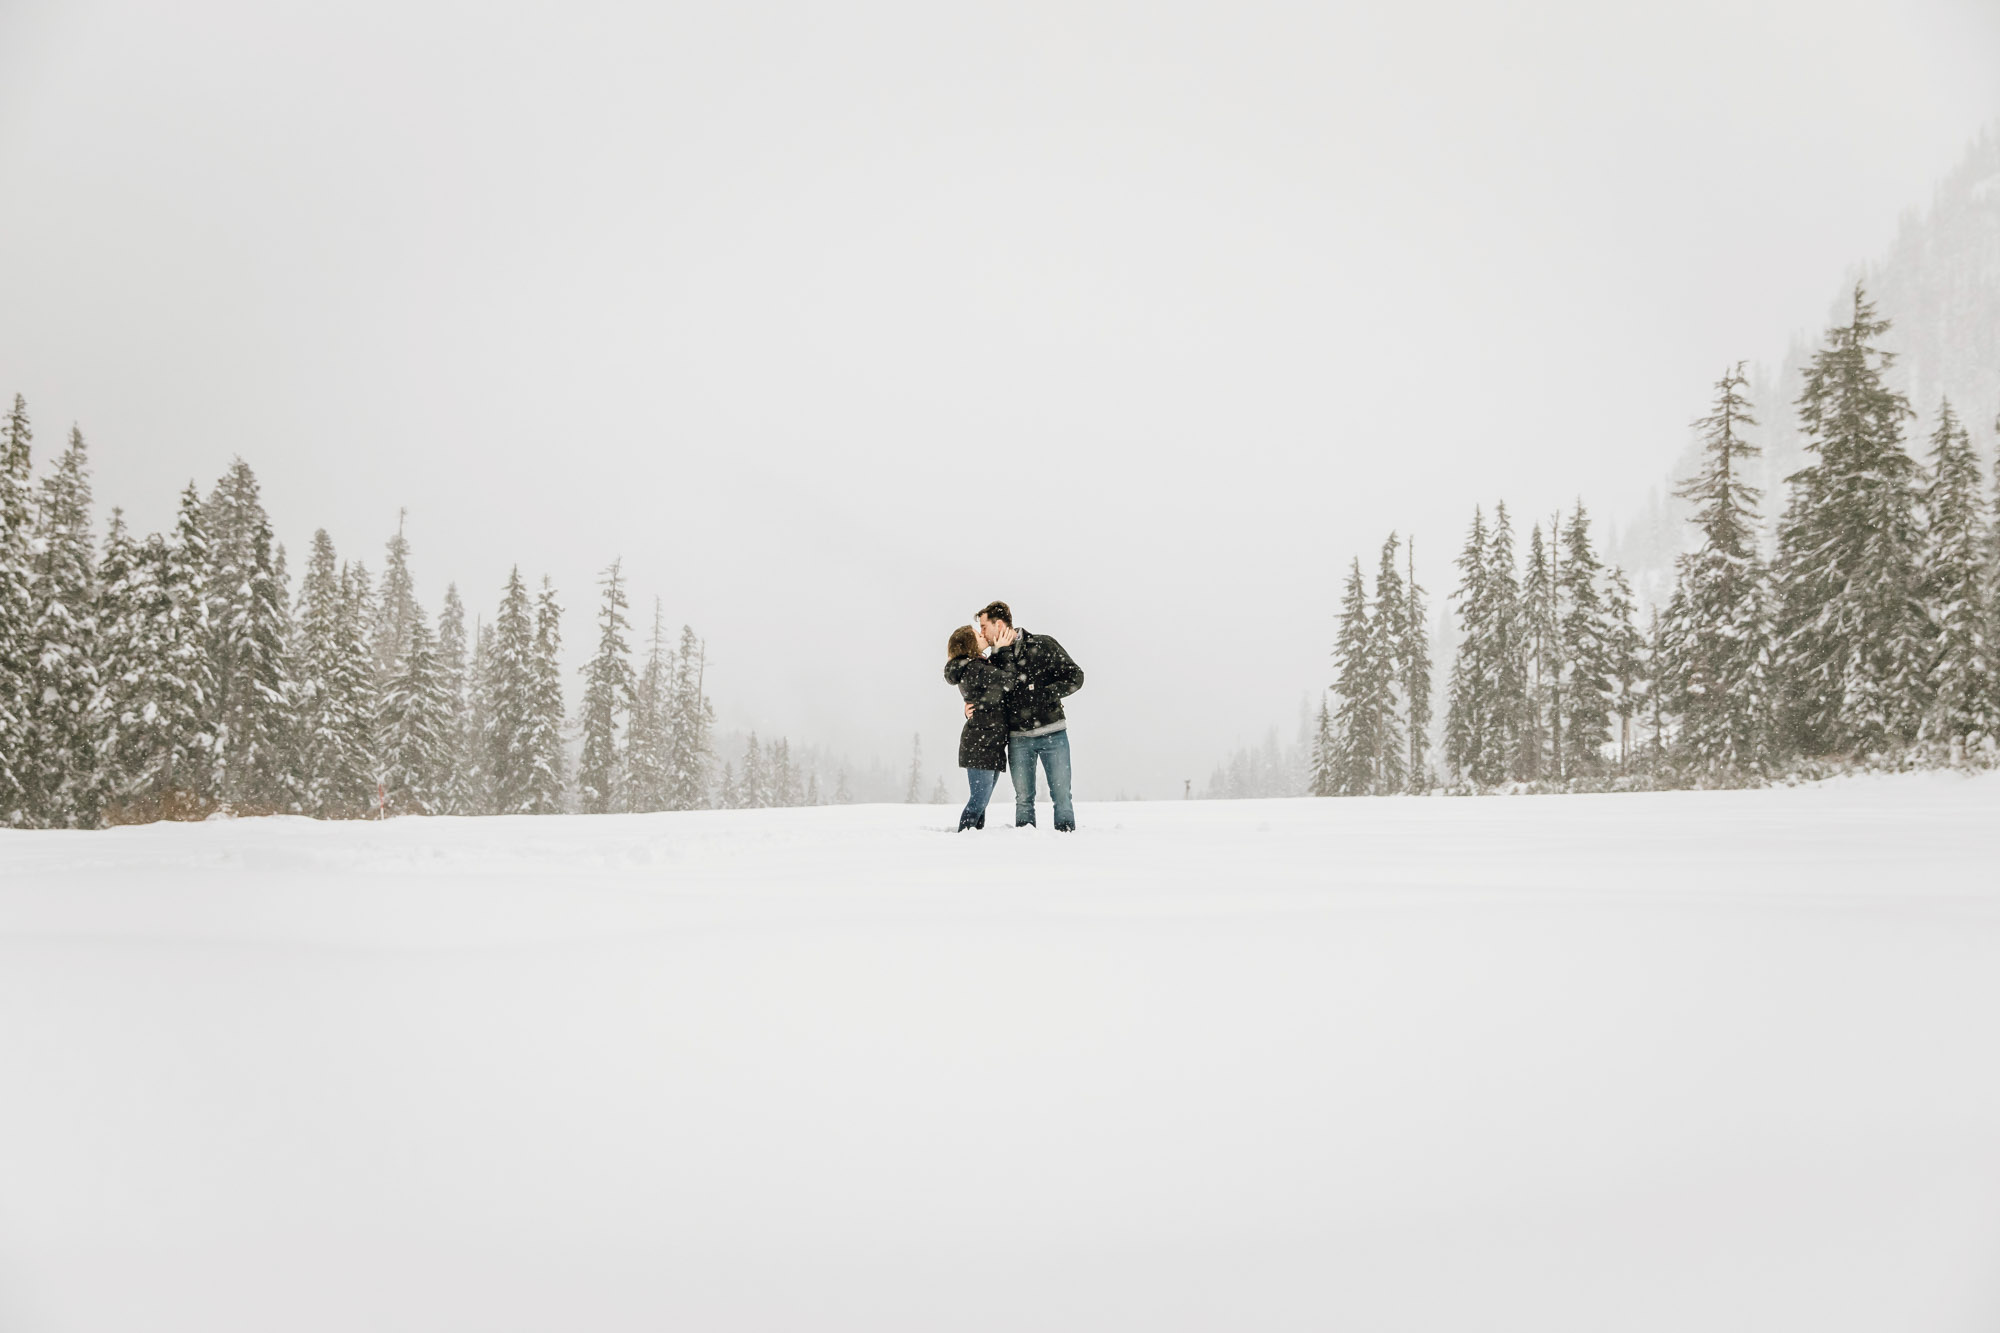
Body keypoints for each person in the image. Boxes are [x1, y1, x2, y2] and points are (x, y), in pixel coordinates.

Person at [974, 600, 1084, 831]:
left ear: (999, 624)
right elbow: (986, 692)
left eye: (984, 626)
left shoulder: (1042, 644)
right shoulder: (994, 659)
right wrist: (970, 703)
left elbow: (1076, 676)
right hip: (1018, 739)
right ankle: (1025, 851)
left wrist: (1046, 694)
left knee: (1062, 797)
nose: (981, 632)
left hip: (1053, 734)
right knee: (1023, 800)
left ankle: (1068, 847)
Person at [943, 624, 1014, 831]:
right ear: (970, 644)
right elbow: (1008, 681)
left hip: (988, 740)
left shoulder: (976, 665)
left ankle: (974, 839)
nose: (982, 634)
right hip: (981, 742)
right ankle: (964, 838)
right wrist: (1003, 651)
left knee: (981, 803)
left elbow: (985, 696)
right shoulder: (974, 667)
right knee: (978, 802)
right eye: (977, 634)